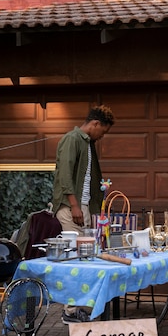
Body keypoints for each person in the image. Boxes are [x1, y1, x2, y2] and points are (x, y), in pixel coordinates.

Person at [51, 104, 115, 323]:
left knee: (86, 257)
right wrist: (74, 205)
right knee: (77, 259)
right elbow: (65, 175)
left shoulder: (88, 143)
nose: (102, 136)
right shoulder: (72, 139)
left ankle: (81, 308)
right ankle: (70, 311)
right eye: (103, 131)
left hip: (83, 206)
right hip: (72, 207)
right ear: (95, 124)